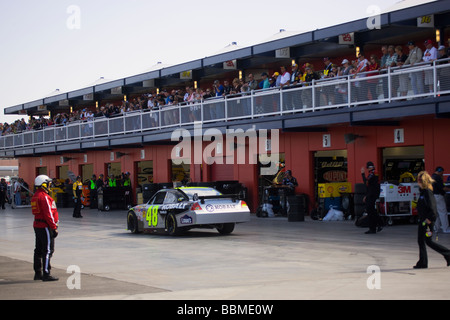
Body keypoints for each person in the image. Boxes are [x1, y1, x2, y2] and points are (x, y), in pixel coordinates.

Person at [413, 171, 450, 269]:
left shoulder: (427, 192)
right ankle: (423, 262)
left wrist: (429, 219)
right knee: (422, 241)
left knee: (427, 241)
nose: (418, 182)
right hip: (423, 220)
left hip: (427, 222)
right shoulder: (423, 192)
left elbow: (433, 208)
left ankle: (447, 254)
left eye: (419, 180)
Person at [31, 175, 59, 281]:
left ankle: (38, 273)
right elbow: (48, 214)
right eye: (48, 183)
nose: (49, 185)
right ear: (43, 184)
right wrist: (54, 227)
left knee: (38, 249)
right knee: (48, 250)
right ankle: (46, 273)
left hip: (37, 225)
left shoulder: (35, 196)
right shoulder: (44, 197)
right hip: (45, 226)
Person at [361, 161, 381, 234]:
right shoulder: (374, 173)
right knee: (372, 211)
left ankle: (374, 228)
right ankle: (378, 225)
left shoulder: (372, 174)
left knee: (370, 211)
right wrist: (366, 195)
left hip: (372, 195)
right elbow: (369, 186)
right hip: (372, 194)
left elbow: (366, 182)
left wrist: (362, 174)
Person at [431, 167, 450, 233]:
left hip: (432, 196)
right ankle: (445, 229)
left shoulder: (431, 177)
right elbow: (442, 188)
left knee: (436, 213)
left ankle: (436, 228)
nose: (443, 173)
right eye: (442, 172)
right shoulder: (438, 178)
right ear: (440, 171)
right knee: (443, 212)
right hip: (438, 196)